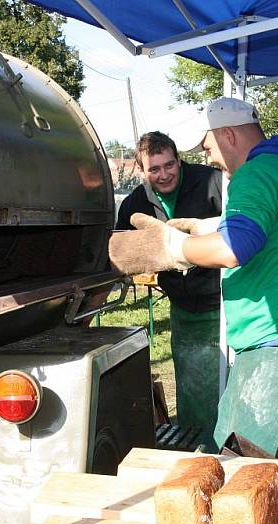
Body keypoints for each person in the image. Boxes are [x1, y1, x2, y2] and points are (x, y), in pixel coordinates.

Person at [109, 98, 278, 456]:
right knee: (236, 455)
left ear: (227, 134)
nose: (209, 157)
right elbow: (273, 229)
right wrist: (206, 227)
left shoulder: (256, 173)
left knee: (246, 471)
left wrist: (173, 247)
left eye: (208, 146)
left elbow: (233, 249)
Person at [115, 131, 223, 446]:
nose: (163, 175)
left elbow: (242, 226)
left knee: (225, 386)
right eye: (154, 169)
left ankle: (230, 452)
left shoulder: (213, 182)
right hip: (183, 310)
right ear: (141, 170)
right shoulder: (137, 202)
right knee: (191, 389)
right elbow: (118, 250)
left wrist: (207, 230)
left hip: (226, 305)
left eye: (169, 165)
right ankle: (200, 453)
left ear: (179, 159)